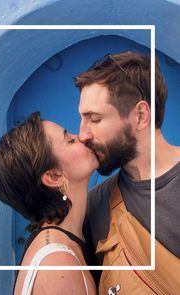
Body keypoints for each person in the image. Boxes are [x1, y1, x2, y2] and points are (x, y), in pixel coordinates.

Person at [74, 51, 180, 294]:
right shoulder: (96, 205)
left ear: (140, 116)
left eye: (95, 119)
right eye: (82, 118)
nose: (83, 134)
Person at [0, 112, 98, 295]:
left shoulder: (65, 238)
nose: (82, 137)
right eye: (70, 140)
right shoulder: (59, 267)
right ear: (54, 177)